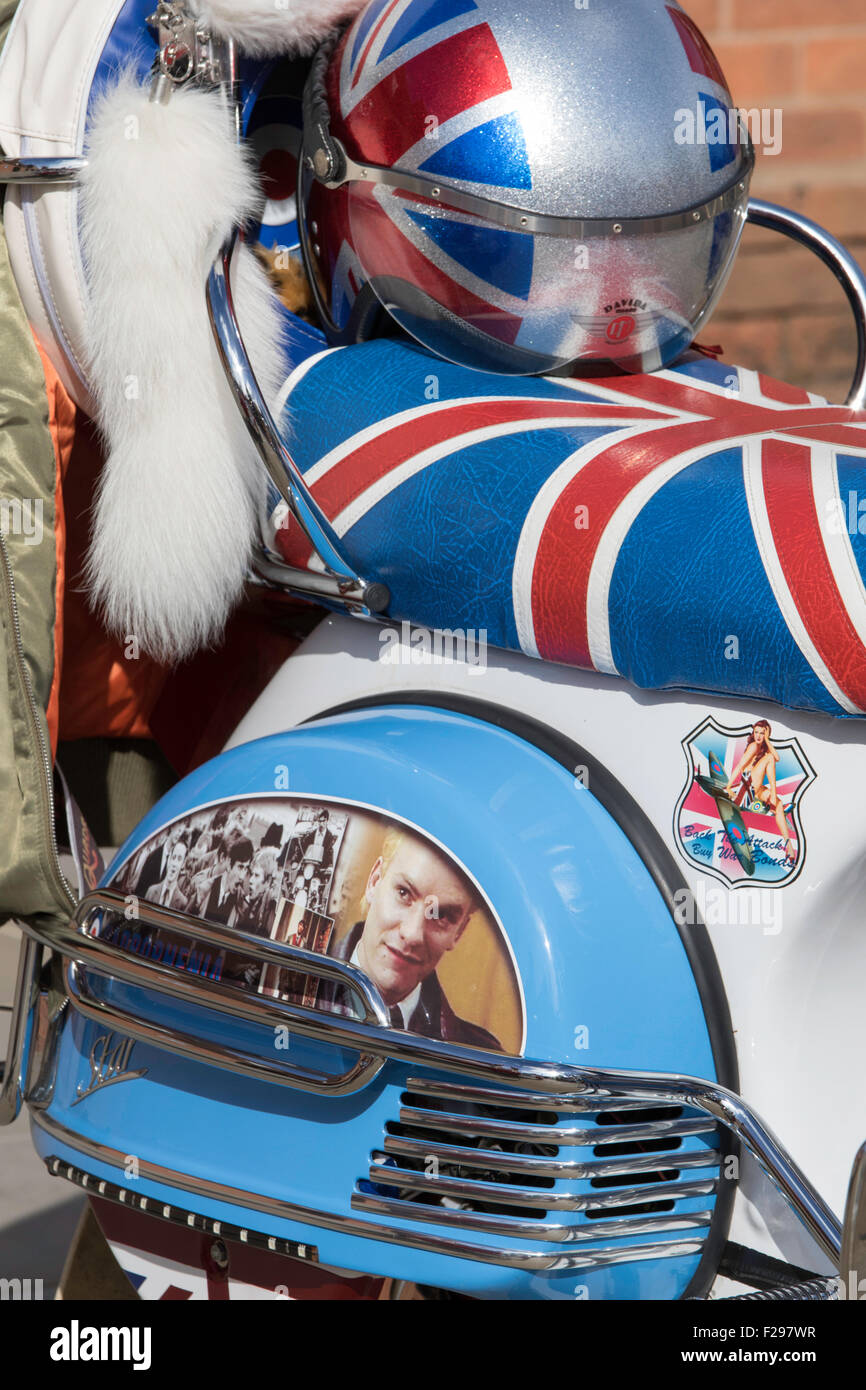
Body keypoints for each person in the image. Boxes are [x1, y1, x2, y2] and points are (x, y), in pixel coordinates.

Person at [326, 828, 501, 1050]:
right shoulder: (283, 985)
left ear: (459, 932)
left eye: (441, 915)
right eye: (403, 893)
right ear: (374, 881)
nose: (412, 934)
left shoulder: (481, 1058)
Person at [725, 720, 796, 865]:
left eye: (762, 733)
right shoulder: (752, 746)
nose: (758, 736)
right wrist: (728, 786)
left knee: (779, 805)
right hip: (745, 791)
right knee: (769, 758)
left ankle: (788, 846)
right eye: (756, 732)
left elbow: (777, 758)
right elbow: (740, 765)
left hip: (757, 790)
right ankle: (773, 796)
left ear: (766, 734)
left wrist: (768, 740)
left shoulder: (764, 747)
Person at [194, 834, 254, 926]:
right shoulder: (203, 890)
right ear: (229, 865)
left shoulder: (242, 907)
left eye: (246, 869)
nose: (242, 877)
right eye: (240, 867)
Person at [144, 836, 191, 911]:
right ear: (169, 858)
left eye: (179, 859)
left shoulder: (183, 903)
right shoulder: (151, 891)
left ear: (183, 864)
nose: (174, 864)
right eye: (173, 857)